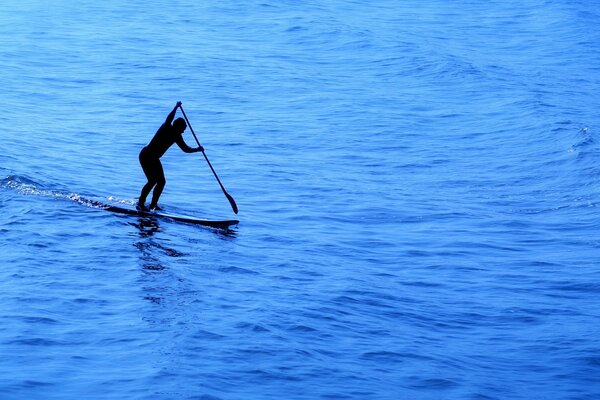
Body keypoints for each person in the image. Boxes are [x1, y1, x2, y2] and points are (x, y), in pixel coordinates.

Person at [137, 101, 203, 211]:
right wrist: (176, 107)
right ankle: (141, 203)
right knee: (152, 181)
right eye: (183, 129)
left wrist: (198, 149)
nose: (183, 132)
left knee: (161, 181)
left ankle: (153, 205)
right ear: (178, 126)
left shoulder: (177, 136)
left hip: (154, 158)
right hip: (146, 155)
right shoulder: (166, 127)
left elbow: (185, 149)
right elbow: (170, 117)